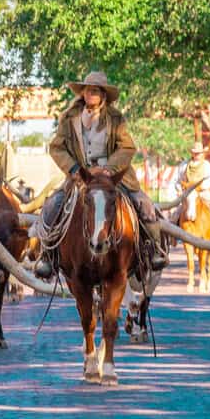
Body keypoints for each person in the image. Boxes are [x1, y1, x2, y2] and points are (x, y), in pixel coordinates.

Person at [35, 71, 166, 278]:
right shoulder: (69, 118)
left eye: (96, 91)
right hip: (81, 176)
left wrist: (109, 170)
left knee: (145, 206)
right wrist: (75, 169)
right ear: (83, 93)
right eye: (88, 90)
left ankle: (153, 251)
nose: (91, 94)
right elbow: (56, 148)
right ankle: (47, 257)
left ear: (103, 95)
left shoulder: (115, 118)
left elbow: (127, 148)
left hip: (112, 176)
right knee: (52, 205)